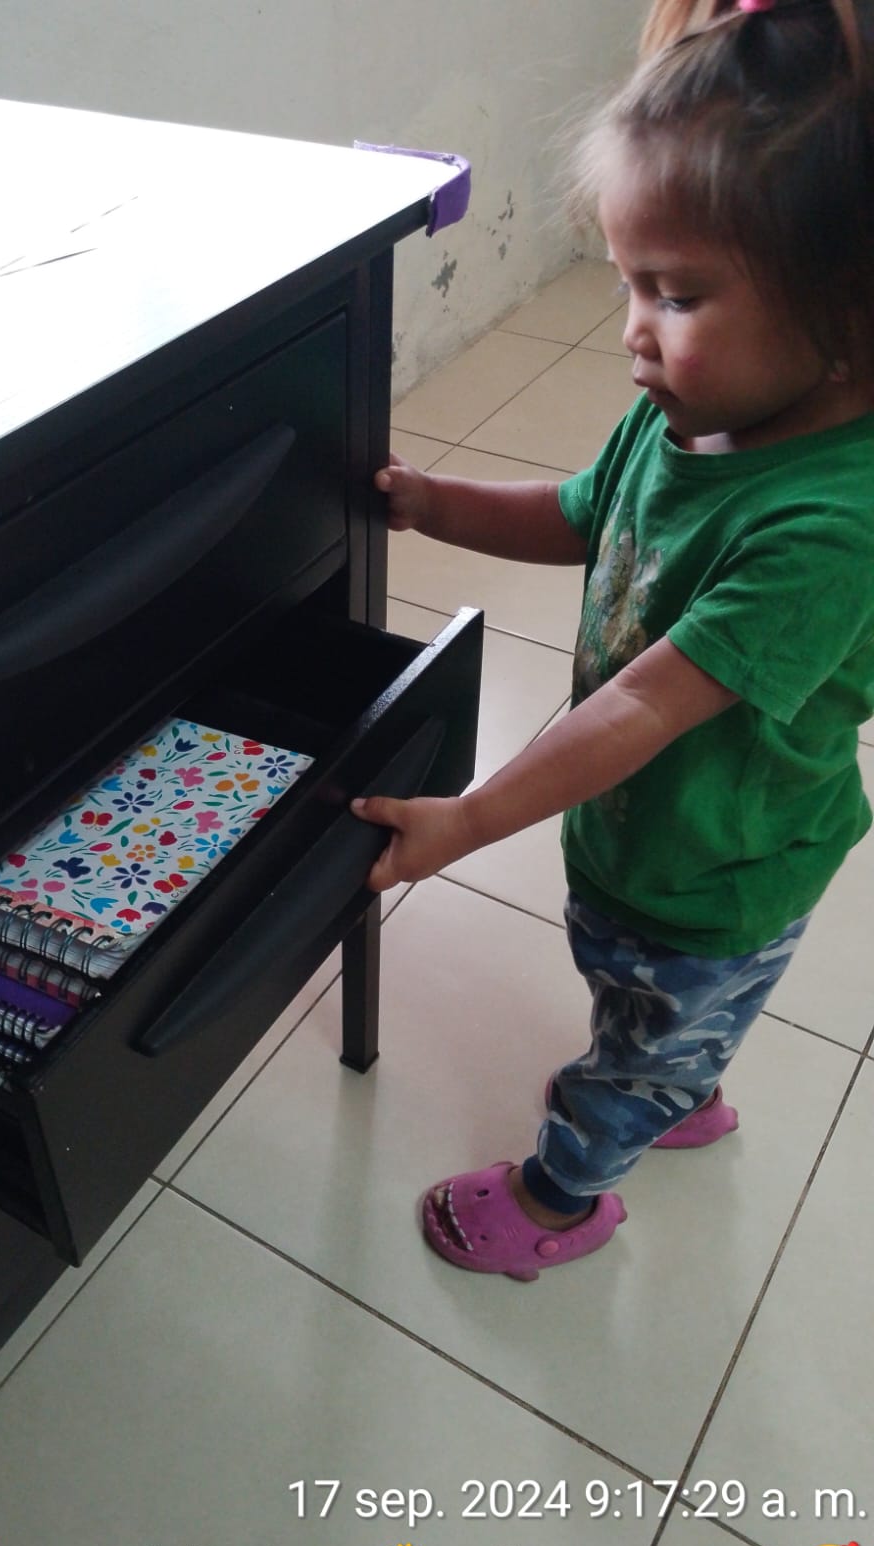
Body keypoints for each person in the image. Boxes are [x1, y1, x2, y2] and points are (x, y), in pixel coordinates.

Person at [351, 0, 874, 1280]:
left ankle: (566, 1194)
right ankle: (676, 1074)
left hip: (721, 880)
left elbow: (643, 704)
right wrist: (435, 502)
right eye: (629, 282)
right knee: (637, 1007)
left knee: (631, 1057)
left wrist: (471, 819)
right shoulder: (690, 413)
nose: (633, 328)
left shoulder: (829, 528)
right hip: (647, 842)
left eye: (677, 294)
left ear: (850, 314)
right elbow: (583, 514)